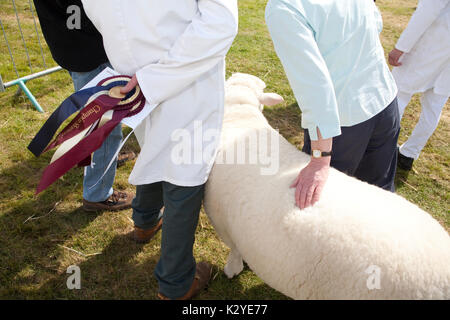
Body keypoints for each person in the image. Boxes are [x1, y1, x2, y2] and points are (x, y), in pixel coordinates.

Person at [81, 0, 238, 299]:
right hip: (183, 72)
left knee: (154, 148)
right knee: (183, 173)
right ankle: (175, 282)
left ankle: (145, 220)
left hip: (134, 71)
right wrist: (157, 73)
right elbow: (221, 21)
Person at [265, 0, 399, 209]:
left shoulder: (284, 7)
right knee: (380, 199)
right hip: (383, 99)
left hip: (343, 121)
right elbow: (375, 22)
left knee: (326, 209)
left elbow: (313, 85)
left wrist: (320, 158)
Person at [33, 0, 135, 212]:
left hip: (74, 47)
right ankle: (97, 194)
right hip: (87, 52)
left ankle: (107, 158)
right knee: (103, 127)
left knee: (101, 121)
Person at [388, 0, 450, 171]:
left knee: (398, 94)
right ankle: (409, 154)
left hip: (434, 40)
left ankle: (383, 148)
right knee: (435, 105)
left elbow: (426, 12)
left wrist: (401, 47)